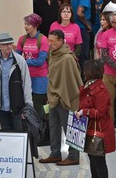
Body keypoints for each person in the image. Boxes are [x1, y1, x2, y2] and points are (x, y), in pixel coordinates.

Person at [39, 30, 83, 166]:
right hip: (53, 97)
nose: (50, 44)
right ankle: (55, 153)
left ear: (61, 41)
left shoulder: (67, 58)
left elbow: (73, 81)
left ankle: (74, 156)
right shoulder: (53, 55)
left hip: (66, 98)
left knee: (70, 127)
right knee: (53, 126)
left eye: (53, 41)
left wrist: (66, 97)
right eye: (49, 41)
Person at [75, 59, 115, 178]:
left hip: (99, 131)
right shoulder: (89, 85)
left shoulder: (100, 90)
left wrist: (84, 112)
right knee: (92, 158)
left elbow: (101, 112)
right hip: (90, 128)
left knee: (98, 161)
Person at [0, 33, 33, 130]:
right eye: (5, 44)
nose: (8, 46)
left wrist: (28, 108)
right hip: (2, 108)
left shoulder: (20, 61)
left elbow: (26, 84)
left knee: (19, 138)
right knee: (6, 138)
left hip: (18, 108)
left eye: (10, 43)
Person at [16, 13, 49, 119]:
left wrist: (25, 61)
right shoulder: (22, 39)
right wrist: (25, 61)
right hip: (25, 76)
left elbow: (40, 61)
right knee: (27, 102)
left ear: (35, 26)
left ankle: (41, 128)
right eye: (25, 24)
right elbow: (17, 57)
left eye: (28, 24)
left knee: (38, 104)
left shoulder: (43, 40)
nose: (26, 26)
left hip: (40, 77)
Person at [71, 0, 97, 79]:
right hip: (82, 29)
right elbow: (79, 12)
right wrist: (88, 25)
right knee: (84, 56)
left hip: (76, 27)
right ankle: (84, 79)